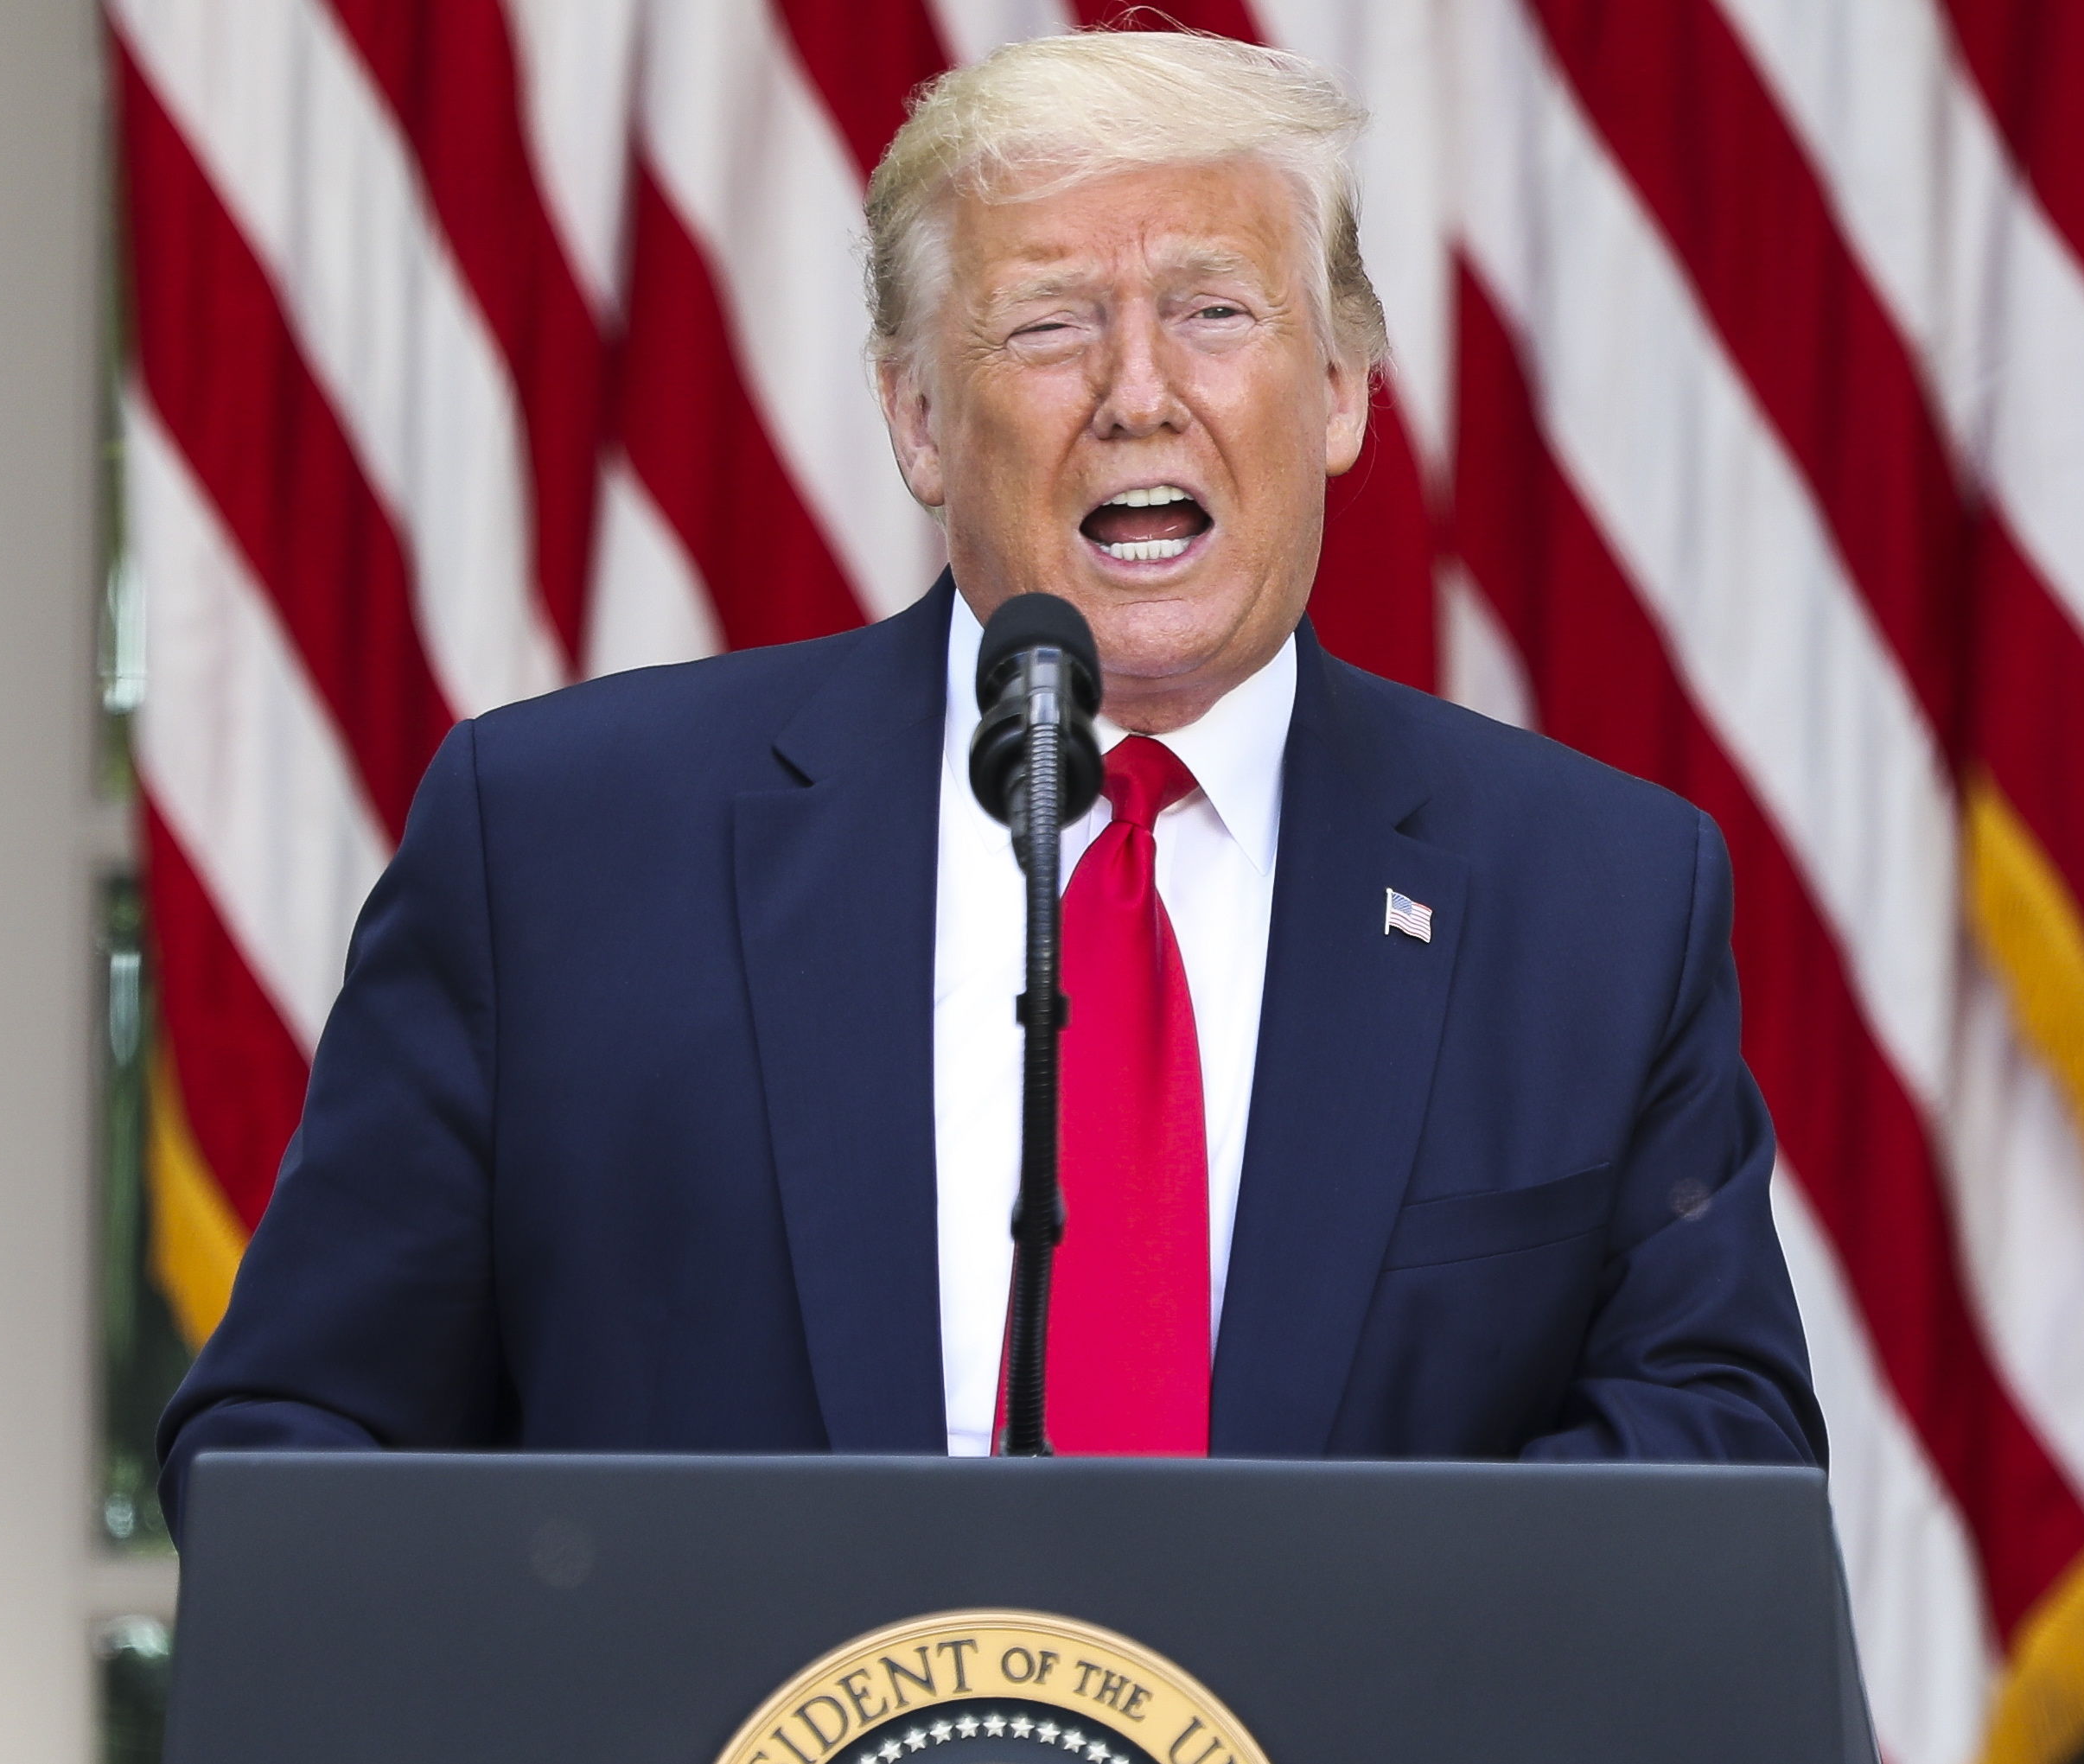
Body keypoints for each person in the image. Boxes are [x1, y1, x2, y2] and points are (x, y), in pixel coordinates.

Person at [158, 30, 1823, 1530]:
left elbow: (1717, 1447)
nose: (1138, 394)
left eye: (1213, 311)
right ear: (917, 420)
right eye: (1047, 324)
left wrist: (1340, 1646)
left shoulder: (1592, 899)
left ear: (1339, 393)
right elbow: (294, 1442)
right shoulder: (560, 850)